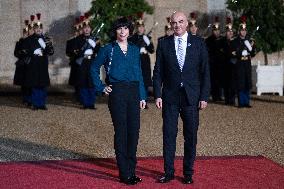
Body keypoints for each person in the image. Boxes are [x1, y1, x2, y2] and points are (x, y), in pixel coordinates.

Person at [153, 11, 210, 184]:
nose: (177, 25)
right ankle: (168, 172)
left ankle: (188, 173)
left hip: (191, 98)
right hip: (170, 97)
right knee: (169, 135)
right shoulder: (163, 43)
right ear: (171, 25)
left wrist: (204, 96)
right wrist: (157, 94)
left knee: (190, 136)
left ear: (187, 24)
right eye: (174, 22)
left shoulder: (199, 43)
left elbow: (205, 72)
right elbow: (158, 72)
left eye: (180, 22)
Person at [90, 17, 146, 185]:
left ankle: (131, 169)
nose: (123, 31)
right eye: (119, 28)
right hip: (118, 92)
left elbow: (140, 74)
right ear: (115, 31)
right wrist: (101, 87)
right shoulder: (108, 49)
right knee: (122, 132)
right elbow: (93, 68)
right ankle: (124, 173)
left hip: (134, 92)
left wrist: (142, 96)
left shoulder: (135, 50)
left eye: (126, 28)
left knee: (134, 132)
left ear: (130, 31)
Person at [23, 13, 54, 110]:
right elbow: (25, 51)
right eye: (36, 28)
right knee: (35, 84)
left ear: (42, 29)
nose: (38, 30)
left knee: (43, 84)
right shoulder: (29, 39)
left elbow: (51, 52)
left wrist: (46, 47)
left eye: (40, 28)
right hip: (34, 63)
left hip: (43, 63)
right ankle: (35, 103)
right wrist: (33, 52)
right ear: (34, 29)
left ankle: (42, 103)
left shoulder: (46, 39)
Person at [71, 13, 100, 109]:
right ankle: (85, 103)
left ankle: (91, 103)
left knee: (91, 82)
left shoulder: (95, 39)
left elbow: (99, 52)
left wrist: (94, 46)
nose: (87, 29)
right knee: (83, 82)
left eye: (88, 27)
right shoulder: (78, 39)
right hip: (82, 62)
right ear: (82, 29)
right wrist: (83, 50)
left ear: (91, 29)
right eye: (85, 27)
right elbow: (75, 52)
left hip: (91, 61)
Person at [129, 17, 154, 108]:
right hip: (136, 59)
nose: (140, 28)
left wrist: (148, 43)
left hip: (145, 59)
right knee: (137, 80)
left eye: (142, 27)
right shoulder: (132, 38)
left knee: (146, 80)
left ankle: (144, 101)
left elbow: (152, 50)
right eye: (138, 27)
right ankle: (137, 101)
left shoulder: (147, 38)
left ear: (144, 28)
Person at [231, 16, 256, 108]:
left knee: (247, 82)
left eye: (245, 30)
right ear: (239, 31)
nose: (243, 32)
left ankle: (247, 102)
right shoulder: (235, 41)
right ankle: (241, 102)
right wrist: (242, 49)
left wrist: (251, 47)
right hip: (240, 63)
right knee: (241, 83)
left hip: (247, 63)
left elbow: (253, 53)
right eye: (242, 30)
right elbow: (234, 53)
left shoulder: (250, 40)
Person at [205, 17, 224, 101]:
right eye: (215, 30)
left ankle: (220, 95)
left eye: (218, 30)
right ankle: (214, 96)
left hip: (221, 64)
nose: (216, 32)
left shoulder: (222, 40)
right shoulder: (208, 40)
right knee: (213, 80)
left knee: (220, 80)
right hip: (212, 64)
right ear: (212, 31)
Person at [13, 19, 31, 106]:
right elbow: (16, 53)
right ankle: (25, 99)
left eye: (27, 33)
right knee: (23, 83)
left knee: (31, 82)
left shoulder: (32, 41)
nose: (26, 34)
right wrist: (21, 52)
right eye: (25, 33)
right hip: (23, 64)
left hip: (31, 63)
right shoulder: (19, 42)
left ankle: (30, 98)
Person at [219, 17, 236, 106]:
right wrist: (230, 53)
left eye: (231, 32)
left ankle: (232, 100)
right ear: (226, 33)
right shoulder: (222, 41)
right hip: (225, 65)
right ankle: (227, 99)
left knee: (233, 83)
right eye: (228, 32)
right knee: (226, 83)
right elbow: (223, 52)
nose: (230, 33)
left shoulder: (235, 41)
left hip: (233, 66)